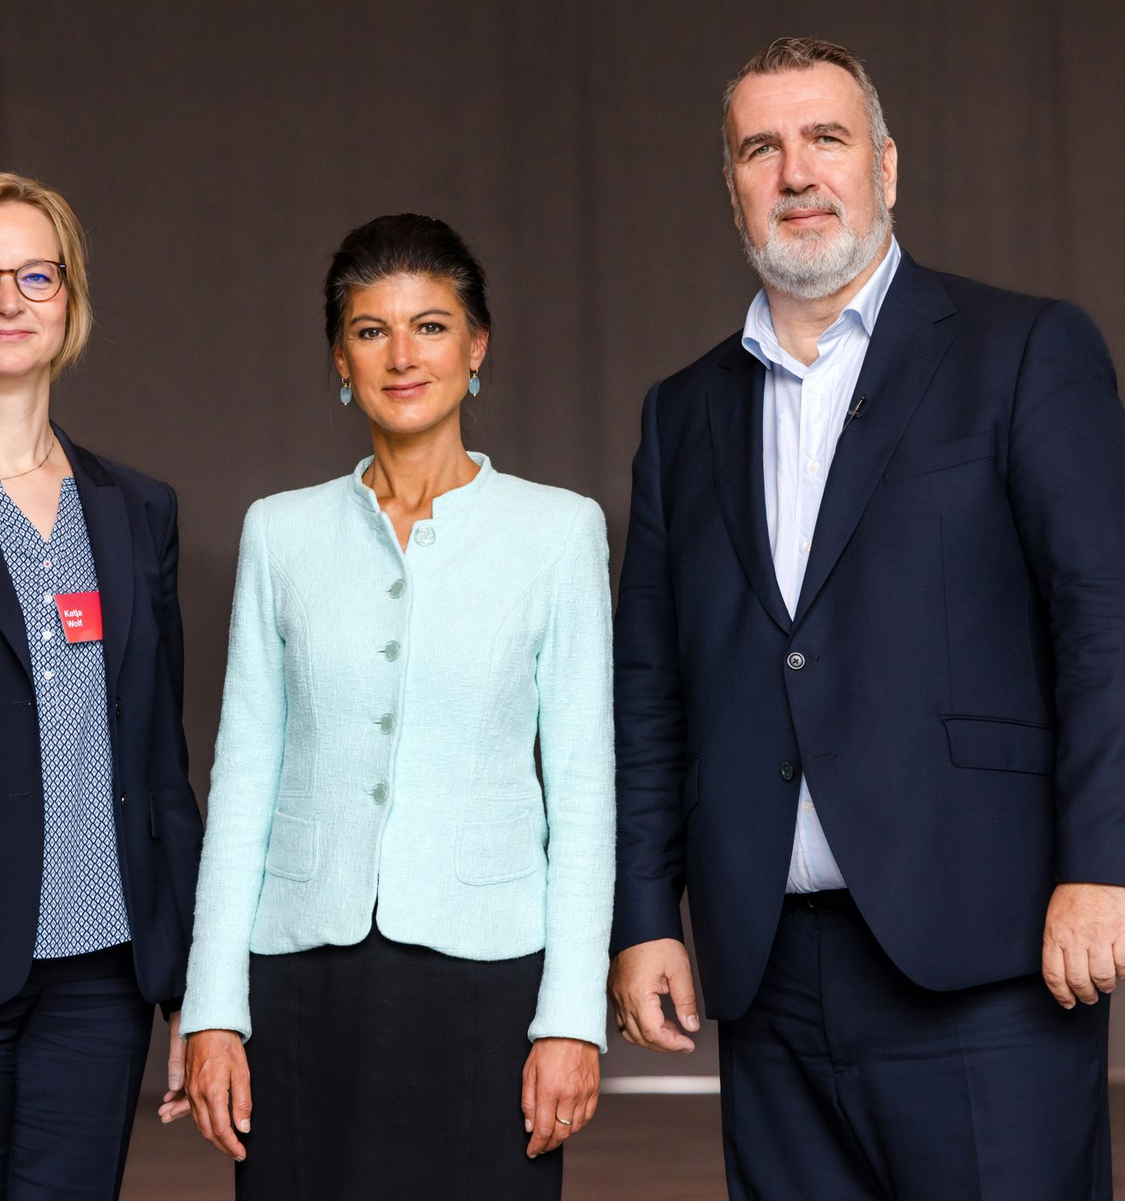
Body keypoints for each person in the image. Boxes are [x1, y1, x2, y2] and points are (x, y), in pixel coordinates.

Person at [609, 36, 1125, 1200]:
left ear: (885, 168)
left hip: (988, 956)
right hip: (768, 971)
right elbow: (649, 683)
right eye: (761, 148)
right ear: (732, 184)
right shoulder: (682, 412)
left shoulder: (1025, 350)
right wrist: (645, 914)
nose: (796, 172)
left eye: (825, 138)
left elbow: (1104, 620)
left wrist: (1104, 863)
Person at [175, 213, 615, 1199]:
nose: (403, 354)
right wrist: (213, 1009)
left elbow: (585, 792)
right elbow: (241, 777)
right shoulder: (279, 533)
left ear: (477, 345)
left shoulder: (557, 533)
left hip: (487, 976)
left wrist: (571, 1020)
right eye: (372, 330)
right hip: (299, 975)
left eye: (431, 325)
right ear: (340, 357)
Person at [0, 172, 202, 1199]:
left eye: (36, 274)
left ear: (71, 301)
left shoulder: (136, 508)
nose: (8, 300)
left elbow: (158, 766)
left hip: (101, 972)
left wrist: (189, 983)